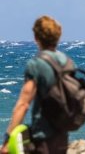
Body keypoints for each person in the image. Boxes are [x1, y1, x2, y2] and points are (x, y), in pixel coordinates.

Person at [1, 15, 75, 154]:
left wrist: (7, 139)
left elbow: (23, 104)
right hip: (62, 136)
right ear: (58, 37)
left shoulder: (36, 64)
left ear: (36, 38)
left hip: (42, 136)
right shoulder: (68, 62)